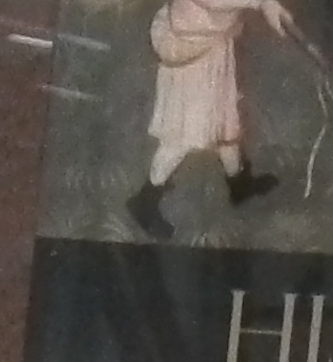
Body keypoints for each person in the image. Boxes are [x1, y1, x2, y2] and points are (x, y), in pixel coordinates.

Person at [128, 0, 305, 236]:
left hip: (213, 41)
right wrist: (262, 3)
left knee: (224, 122)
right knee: (181, 137)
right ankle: (145, 200)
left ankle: (238, 185)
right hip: (192, 50)